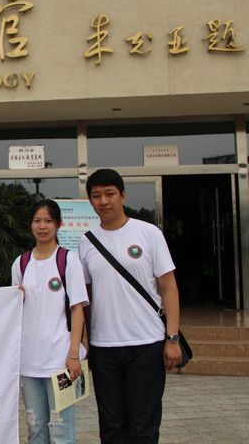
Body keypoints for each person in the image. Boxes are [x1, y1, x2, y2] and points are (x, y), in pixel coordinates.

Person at [79, 169, 182, 444]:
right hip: (105, 348)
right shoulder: (86, 241)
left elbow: (169, 288)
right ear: (90, 201)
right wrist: (88, 341)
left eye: (110, 194)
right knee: (111, 425)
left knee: (143, 425)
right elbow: (87, 297)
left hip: (146, 344)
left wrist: (172, 338)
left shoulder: (148, 233)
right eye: (96, 196)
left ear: (123, 195)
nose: (103, 201)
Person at [11, 199, 88, 444]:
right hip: (29, 362)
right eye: (37, 221)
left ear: (58, 224)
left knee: (61, 431)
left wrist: (73, 354)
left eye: (48, 221)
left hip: (60, 361)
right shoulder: (21, 263)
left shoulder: (68, 260)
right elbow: (14, 309)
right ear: (30, 224)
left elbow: (77, 309)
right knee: (35, 428)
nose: (42, 226)